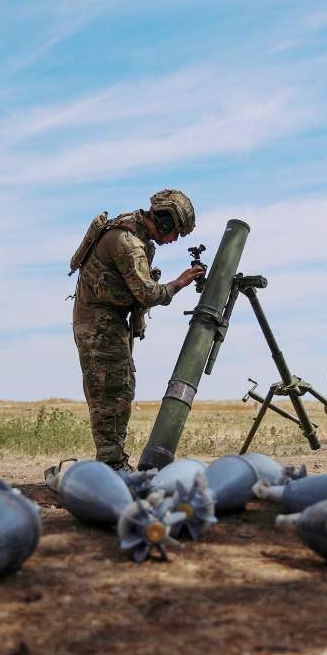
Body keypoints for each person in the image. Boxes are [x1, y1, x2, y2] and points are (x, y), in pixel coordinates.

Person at [70, 190, 205, 470]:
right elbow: (147, 293)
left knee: (121, 387)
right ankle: (110, 465)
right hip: (98, 326)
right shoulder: (128, 242)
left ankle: (112, 462)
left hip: (109, 323)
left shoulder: (135, 235)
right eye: (176, 232)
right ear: (166, 221)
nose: (175, 239)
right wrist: (180, 282)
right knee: (110, 392)